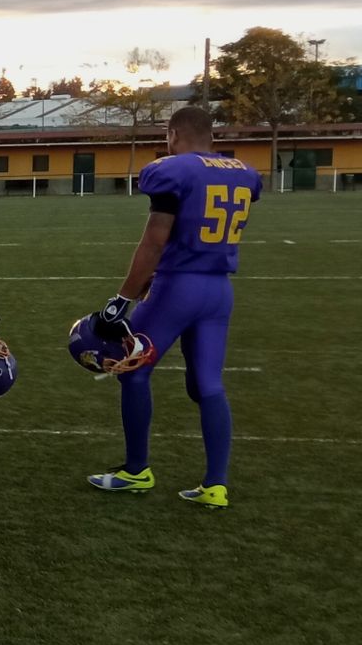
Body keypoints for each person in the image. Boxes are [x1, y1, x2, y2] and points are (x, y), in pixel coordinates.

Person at [87, 106, 260, 508]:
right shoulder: (243, 173)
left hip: (177, 288)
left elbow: (155, 240)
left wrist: (122, 300)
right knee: (209, 385)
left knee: (133, 371)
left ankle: (136, 470)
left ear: (174, 133)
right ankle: (215, 485)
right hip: (219, 292)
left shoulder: (174, 169)